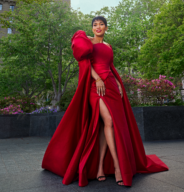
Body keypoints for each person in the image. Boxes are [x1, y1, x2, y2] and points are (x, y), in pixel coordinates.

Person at [42, 16, 169, 187]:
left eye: (101, 24)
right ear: (92, 28)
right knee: (108, 121)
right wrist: (97, 79)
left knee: (104, 125)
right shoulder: (87, 42)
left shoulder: (108, 46)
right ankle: (117, 166)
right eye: (95, 25)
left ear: (106, 28)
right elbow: (84, 63)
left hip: (110, 86)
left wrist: (116, 81)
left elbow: (110, 66)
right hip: (95, 87)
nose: (98, 27)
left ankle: (100, 166)